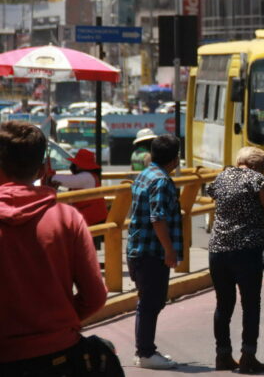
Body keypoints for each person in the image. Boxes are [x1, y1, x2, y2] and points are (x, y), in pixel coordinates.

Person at [0, 121, 109, 374]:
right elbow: (95, 296)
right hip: (58, 355)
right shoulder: (67, 218)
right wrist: (57, 320)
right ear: (40, 172)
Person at [207, 147, 264, 374]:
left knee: (223, 305)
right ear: (258, 166)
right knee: (250, 304)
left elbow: (216, 196)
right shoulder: (257, 179)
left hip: (218, 250)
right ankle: (248, 356)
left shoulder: (222, 177)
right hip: (246, 250)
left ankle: (223, 355)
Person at [126, 134, 183, 370]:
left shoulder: (146, 173)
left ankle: (145, 350)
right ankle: (146, 352)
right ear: (174, 159)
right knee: (151, 303)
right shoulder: (161, 181)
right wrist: (169, 251)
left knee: (148, 302)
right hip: (151, 252)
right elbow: (158, 218)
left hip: (138, 249)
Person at [51, 148, 108, 227]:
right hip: (94, 220)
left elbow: (64, 180)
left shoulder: (86, 177)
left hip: (92, 222)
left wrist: (50, 178)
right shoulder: (90, 176)